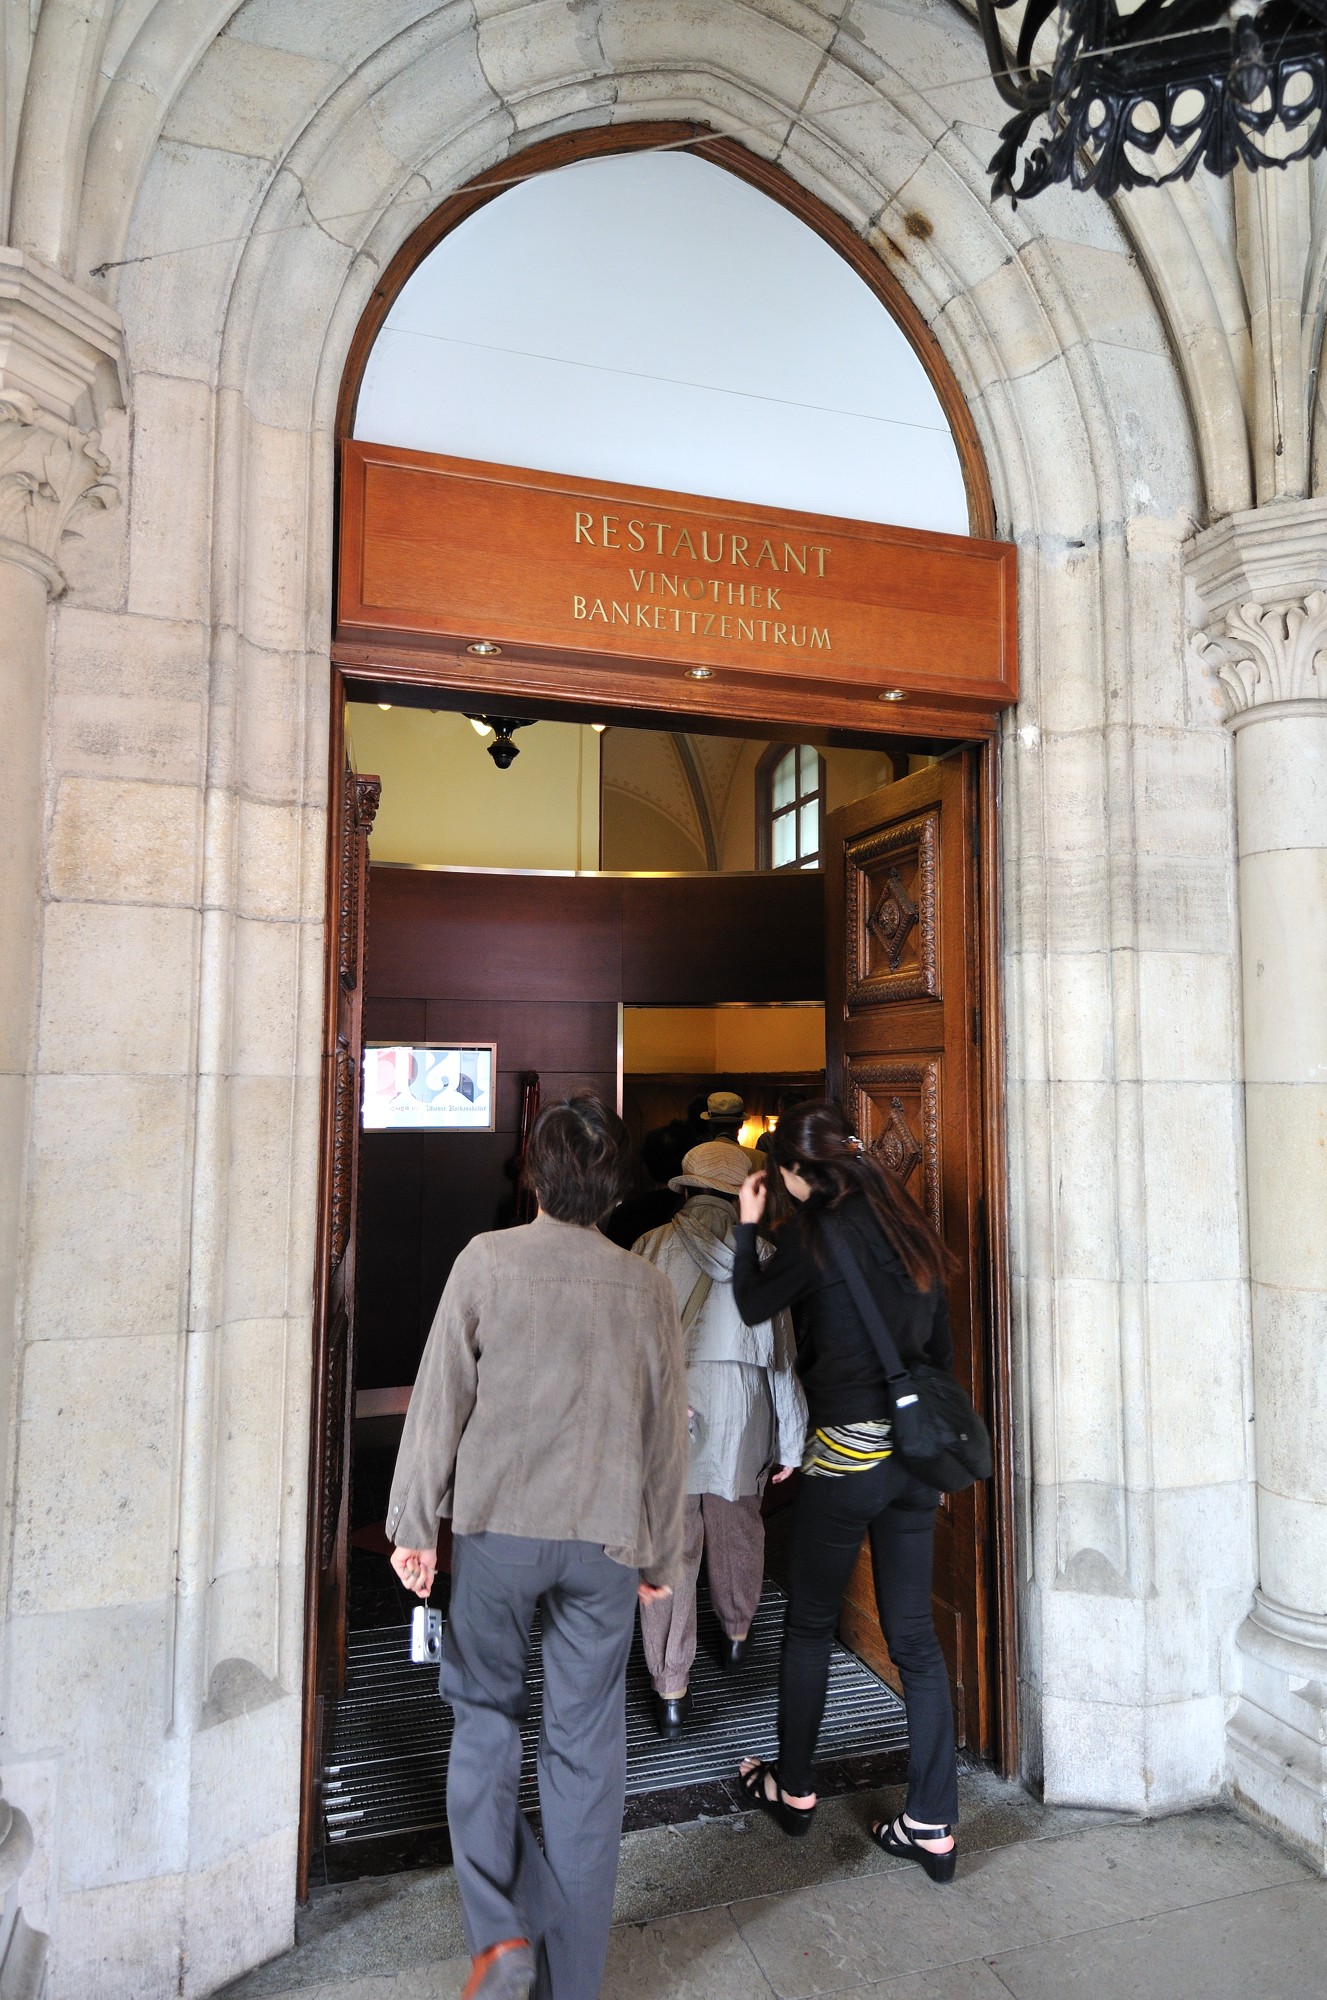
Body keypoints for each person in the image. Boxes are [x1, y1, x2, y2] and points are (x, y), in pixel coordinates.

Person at [387, 1092, 688, 2000]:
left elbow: (439, 1399)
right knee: (585, 1754)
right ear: (613, 1187)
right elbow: (666, 1435)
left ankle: (501, 1934)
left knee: (483, 1717)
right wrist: (661, 1557)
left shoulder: (486, 1261)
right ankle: (572, 1985)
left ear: (536, 1175)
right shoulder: (647, 1285)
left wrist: (414, 1526)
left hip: (498, 1532)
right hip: (604, 1543)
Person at [730, 1100, 961, 1883]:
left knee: (808, 1625)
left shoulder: (816, 1236)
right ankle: (931, 1823)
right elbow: (938, 1350)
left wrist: (745, 1228)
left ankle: (793, 1787)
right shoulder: (909, 1227)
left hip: (847, 1452)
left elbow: (752, 1304)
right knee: (914, 1641)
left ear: (799, 1171)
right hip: (914, 1456)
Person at [631, 1140, 807, 1735]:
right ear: (739, 1195)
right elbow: (782, 1361)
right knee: (739, 1526)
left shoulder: (648, 1248)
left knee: (671, 1542)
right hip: (741, 1412)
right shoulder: (765, 1256)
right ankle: (735, 1633)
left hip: (668, 1414)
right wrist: (791, 1440)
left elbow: (629, 1353)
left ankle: (670, 1687)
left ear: (686, 1188)